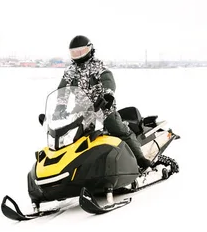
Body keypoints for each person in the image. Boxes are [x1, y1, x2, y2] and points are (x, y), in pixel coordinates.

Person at [55, 35, 152, 171]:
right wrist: (60, 106)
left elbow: (107, 79)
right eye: (74, 52)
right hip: (83, 109)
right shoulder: (71, 70)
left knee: (117, 129)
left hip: (102, 104)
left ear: (89, 50)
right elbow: (63, 89)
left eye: (81, 51)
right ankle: (80, 169)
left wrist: (108, 94)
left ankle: (140, 159)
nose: (78, 55)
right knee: (76, 138)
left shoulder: (97, 65)